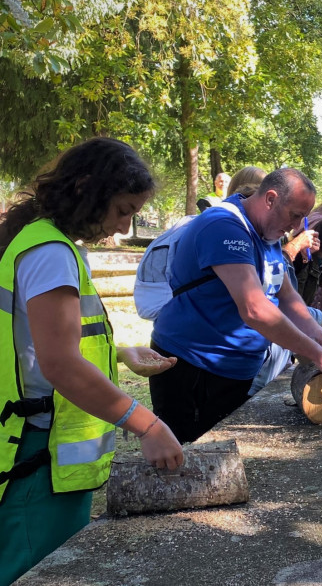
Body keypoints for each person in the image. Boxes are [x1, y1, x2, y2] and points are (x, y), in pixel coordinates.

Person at [0, 138, 184, 585]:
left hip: (45, 455)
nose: (124, 227)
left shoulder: (44, 242)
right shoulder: (51, 254)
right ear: (86, 189)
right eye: (122, 209)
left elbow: (34, 342)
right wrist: (148, 425)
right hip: (38, 459)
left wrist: (119, 353)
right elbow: (59, 365)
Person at [149, 168, 322, 443]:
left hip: (234, 371)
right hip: (194, 368)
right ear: (270, 198)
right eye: (295, 215)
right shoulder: (224, 226)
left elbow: (287, 296)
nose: (297, 227)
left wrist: (317, 334)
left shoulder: (268, 236)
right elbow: (254, 309)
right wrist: (319, 356)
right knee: (193, 460)